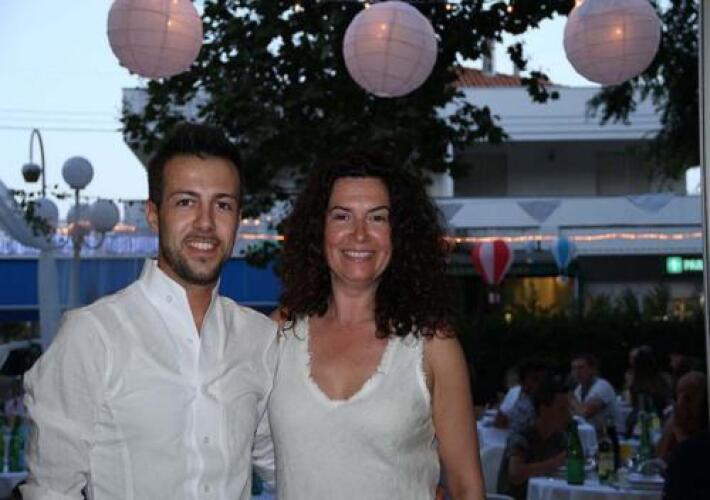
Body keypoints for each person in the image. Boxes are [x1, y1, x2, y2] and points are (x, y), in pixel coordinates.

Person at [21, 123, 277, 499]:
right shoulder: (92, 335)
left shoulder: (260, 338)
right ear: (154, 214)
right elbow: (51, 490)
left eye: (222, 205)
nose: (206, 222)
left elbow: (286, 467)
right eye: (186, 202)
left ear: (238, 218)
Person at [269, 154, 485, 499]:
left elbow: (467, 487)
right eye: (342, 216)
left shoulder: (433, 344)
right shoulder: (280, 333)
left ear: (399, 234)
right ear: (319, 230)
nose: (359, 234)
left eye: (377, 218)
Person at [497, 375, 569, 500]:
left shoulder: (559, 438)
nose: (568, 415)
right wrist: (555, 463)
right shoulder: (522, 436)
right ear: (544, 409)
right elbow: (515, 474)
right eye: (562, 409)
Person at [656, 371, 708, 461]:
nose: (679, 404)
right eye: (677, 397)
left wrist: (678, 430)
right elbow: (659, 459)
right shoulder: (676, 419)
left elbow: (694, 461)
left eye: (687, 398)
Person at [569, 353, 618, 433]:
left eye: (581, 368)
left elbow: (586, 413)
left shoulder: (602, 386)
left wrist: (571, 398)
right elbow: (572, 414)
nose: (577, 372)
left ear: (592, 369)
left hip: (609, 435)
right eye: (574, 369)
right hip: (590, 434)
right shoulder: (578, 389)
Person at [494, 360, 546, 432]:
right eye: (535, 379)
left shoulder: (544, 400)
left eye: (542, 380)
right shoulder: (515, 393)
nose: (538, 384)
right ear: (523, 379)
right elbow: (499, 421)